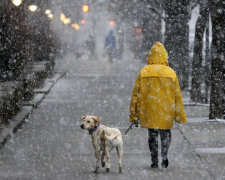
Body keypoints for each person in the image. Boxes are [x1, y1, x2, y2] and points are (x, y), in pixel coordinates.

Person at [129, 42, 187, 168]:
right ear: (164, 56)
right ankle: (164, 156)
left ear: (150, 56)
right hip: (166, 110)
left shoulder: (144, 72)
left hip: (150, 110)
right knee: (165, 133)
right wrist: (180, 116)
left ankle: (154, 160)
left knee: (152, 135)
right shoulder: (171, 73)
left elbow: (135, 95)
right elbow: (177, 96)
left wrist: (133, 114)